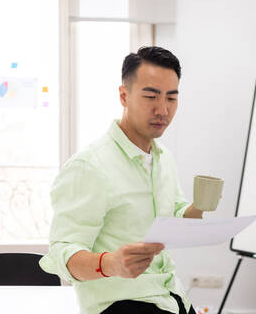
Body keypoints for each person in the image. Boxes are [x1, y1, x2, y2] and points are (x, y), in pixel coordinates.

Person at [40, 46, 205, 314]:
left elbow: (175, 215)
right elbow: (62, 253)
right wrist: (111, 264)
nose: (162, 109)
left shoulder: (164, 159)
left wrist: (200, 207)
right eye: (151, 96)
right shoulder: (89, 166)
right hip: (120, 305)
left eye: (171, 98)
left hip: (171, 297)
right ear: (124, 95)